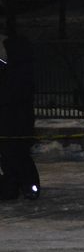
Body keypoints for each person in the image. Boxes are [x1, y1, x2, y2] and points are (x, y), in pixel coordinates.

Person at [0, 32, 39, 200]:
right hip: (15, 121)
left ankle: (25, 187)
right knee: (13, 155)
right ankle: (14, 187)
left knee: (15, 155)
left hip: (13, 121)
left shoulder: (15, 71)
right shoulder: (18, 69)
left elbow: (11, 95)